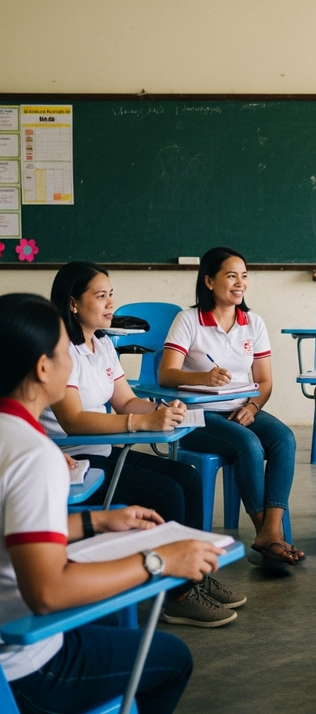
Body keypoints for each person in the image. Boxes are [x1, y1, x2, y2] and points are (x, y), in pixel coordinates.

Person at [0, 293, 222, 713]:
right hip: (24, 669)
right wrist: (160, 560)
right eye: (65, 351)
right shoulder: (34, 455)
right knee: (172, 658)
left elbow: (10, 532)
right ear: (43, 368)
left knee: (107, 620)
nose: (72, 361)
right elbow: (47, 593)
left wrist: (95, 522)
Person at [43, 261, 244, 627]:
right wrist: (140, 422)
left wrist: (162, 409)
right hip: (75, 460)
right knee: (166, 492)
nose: (110, 304)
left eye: (111, 295)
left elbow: (124, 401)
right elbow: (73, 420)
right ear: (73, 303)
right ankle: (178, 596)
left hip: (104, 450)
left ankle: (193, 573)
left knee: (187, 476)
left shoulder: (102, 343)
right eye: (100, 296)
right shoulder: (60, 348)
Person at [159, 246, 303, 571]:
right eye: (231, 276)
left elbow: (264, 381)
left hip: (241, 410)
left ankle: (272, 531)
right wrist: (203, 377)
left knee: (284, 439)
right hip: (197, 415)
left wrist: (253, 406)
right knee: (248, 444)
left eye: (244, 276)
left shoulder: (253, 323)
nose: (240, 283)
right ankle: (266, 534)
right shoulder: (188, 320)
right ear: (209, 281)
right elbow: (166, 374)